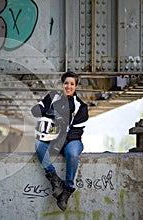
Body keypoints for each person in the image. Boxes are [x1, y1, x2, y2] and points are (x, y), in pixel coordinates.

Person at [31, 71, 88, 211]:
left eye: (72, 84)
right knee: (39, 145)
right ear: (62, 84)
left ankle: (67, 189)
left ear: (76, 86)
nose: (68, 86)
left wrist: (60, 140)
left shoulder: (81, 107)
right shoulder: (52, 97)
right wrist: (48, 112)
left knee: (73, 153)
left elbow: (76, 132)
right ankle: (54, 179)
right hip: (52, 139)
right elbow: (34, 110)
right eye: (66, 83)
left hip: (71, 140)